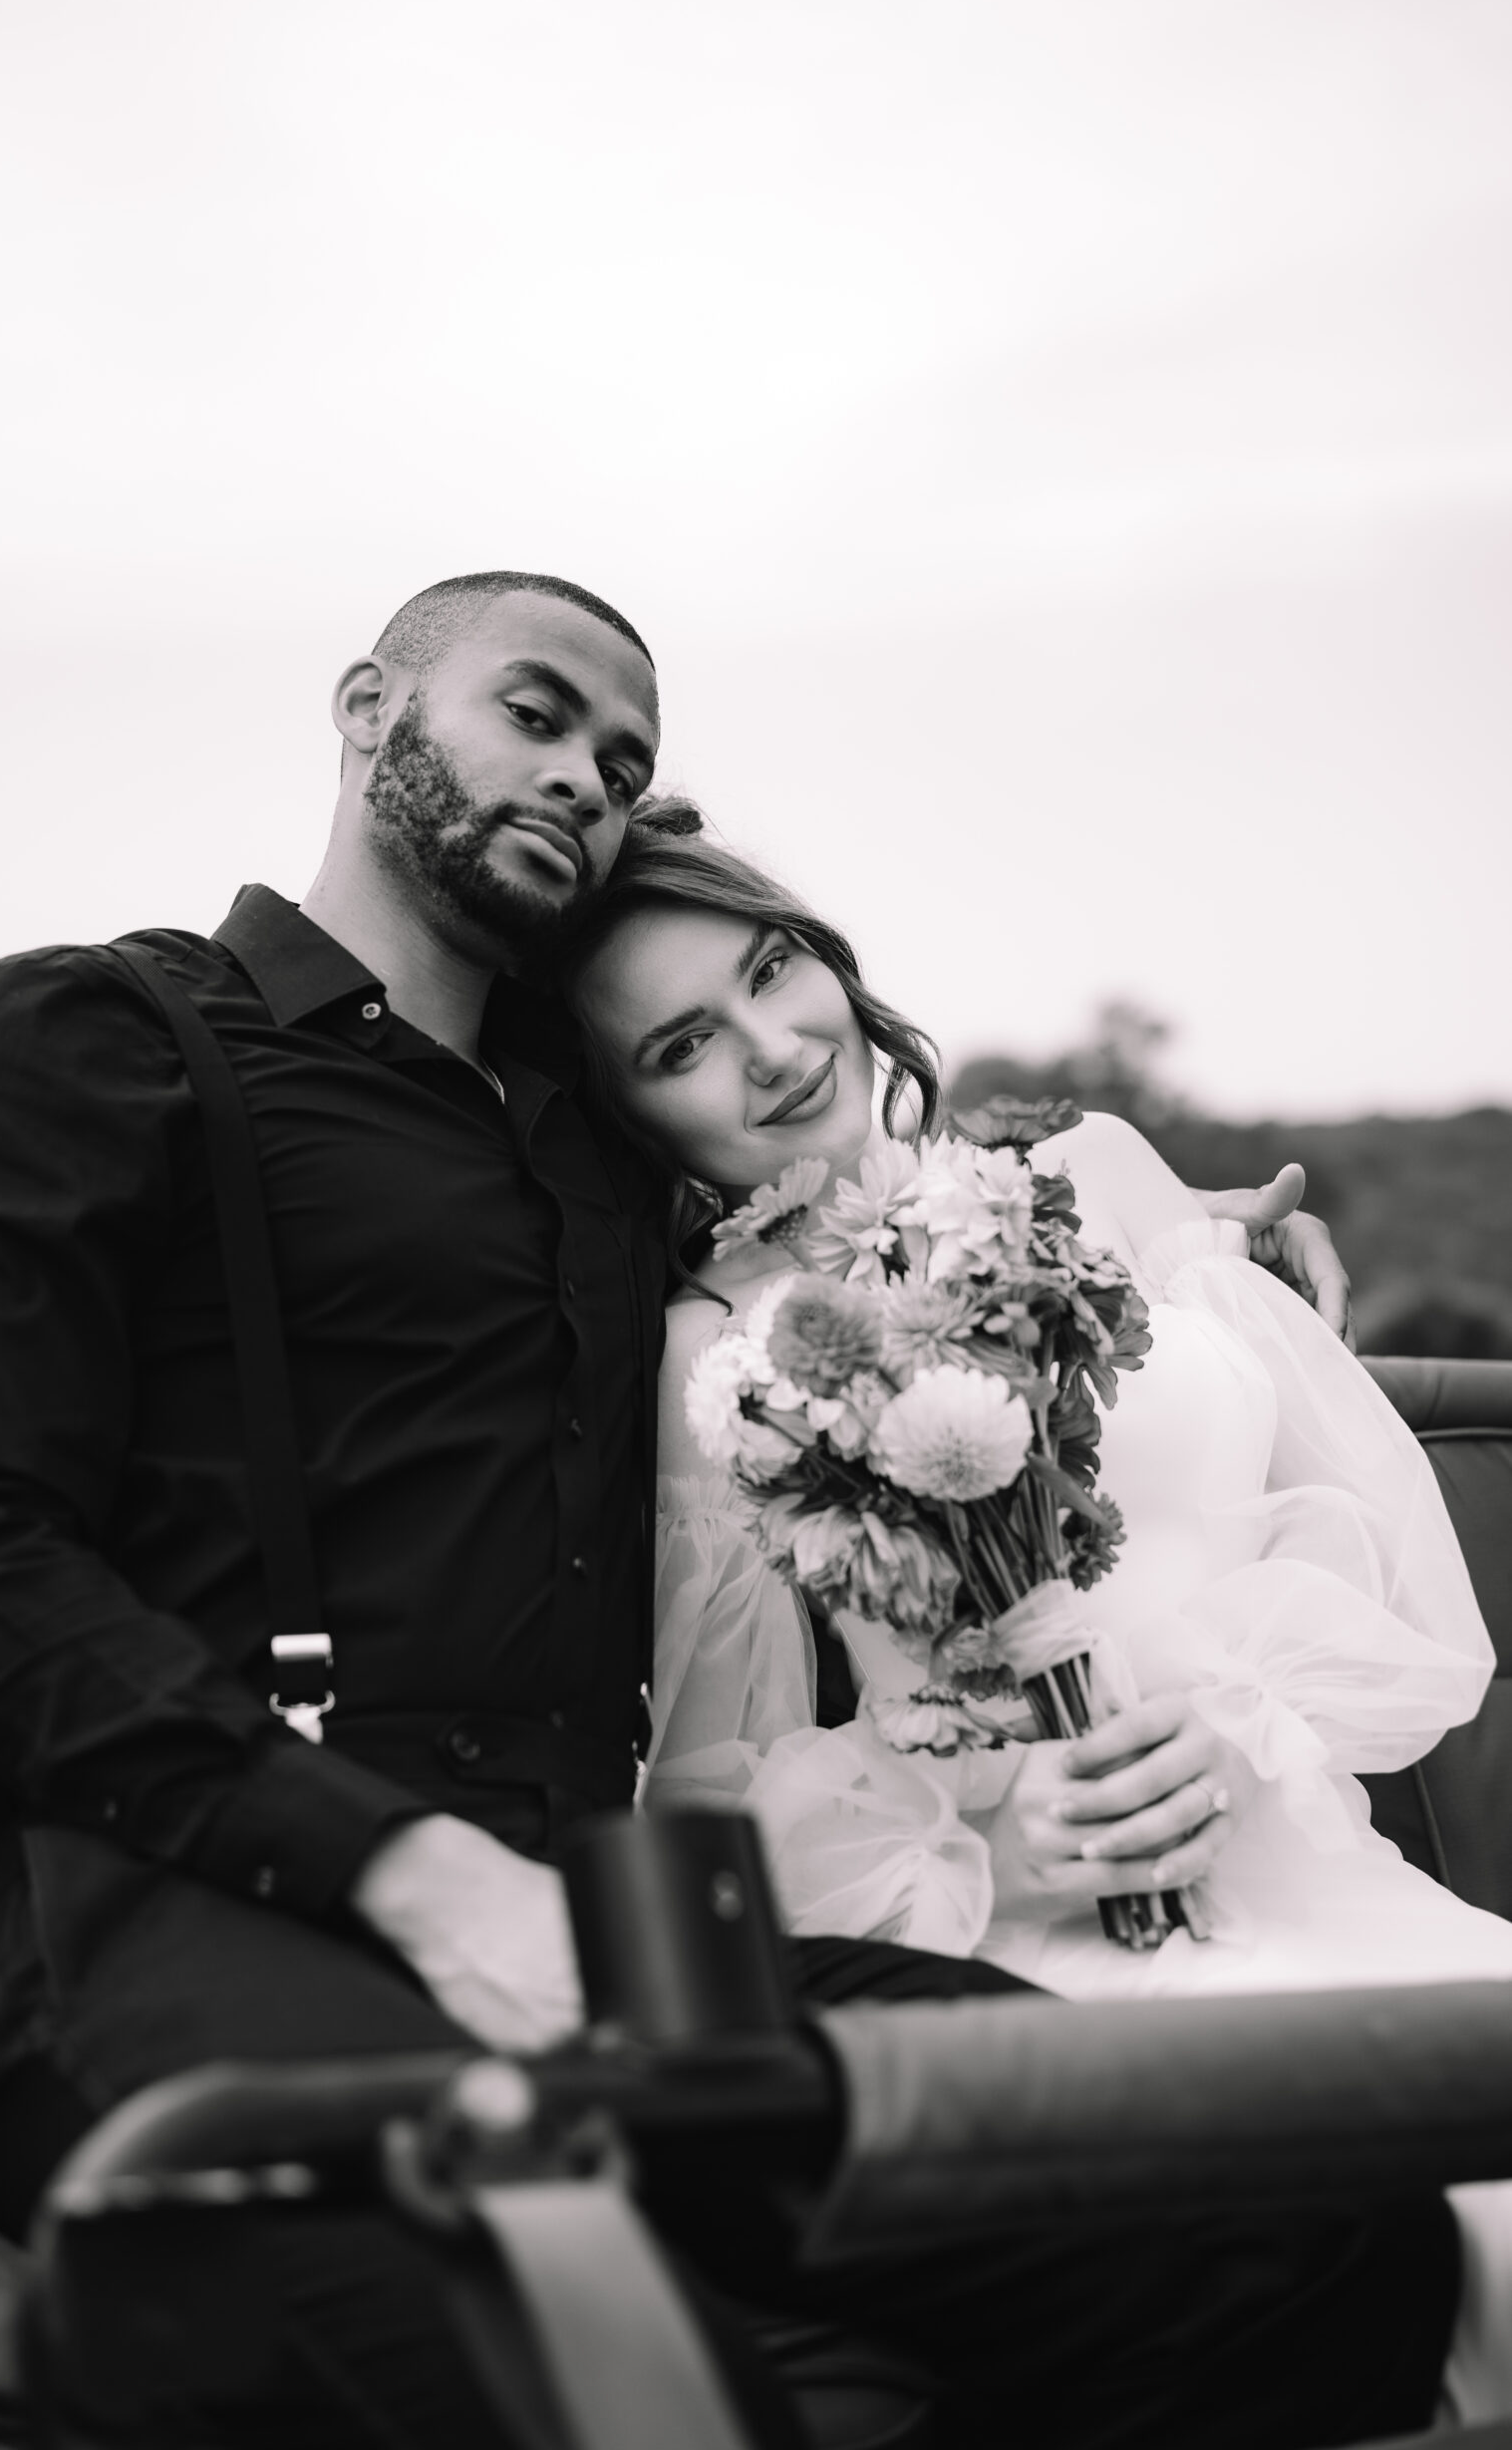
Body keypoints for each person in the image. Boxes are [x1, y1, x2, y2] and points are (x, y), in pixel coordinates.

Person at [0, 572, 1451, 2449]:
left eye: (625, 761)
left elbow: (834, 1167)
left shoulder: (594, 1143)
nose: (586, 777)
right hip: (199, 1914)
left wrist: (1180, 1246)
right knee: (582, 2371)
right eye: (535, 715)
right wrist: (412, 1877)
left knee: (1317, 2235)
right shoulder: (86, 1036)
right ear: (369, 711)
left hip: (626, 1929)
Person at [558, 799, 1512, 2423]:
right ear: (637, 1122)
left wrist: (1251, 1297)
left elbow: (1320, 1523)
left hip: (1324, 1863)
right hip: (1067, 1941)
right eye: (680, 1046)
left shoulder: (1099, 1177)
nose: (770, 1047)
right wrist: (1001, 1836)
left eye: (773, 968)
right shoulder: (717, 1362)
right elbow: (719, 1794)